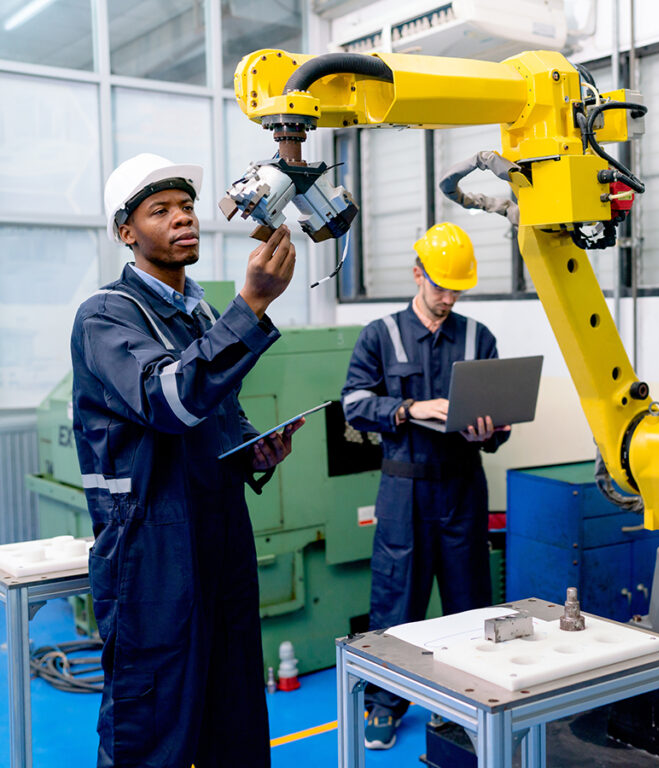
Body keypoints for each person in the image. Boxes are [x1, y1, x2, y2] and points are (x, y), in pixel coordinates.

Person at [72, 153, 301, 767]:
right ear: (127, 232)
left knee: (234, 713)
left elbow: (215, 416)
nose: (183, 220)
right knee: (154, 725)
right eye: (161, 211)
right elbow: (167, 400)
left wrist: (255, 447)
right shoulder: (106, 315)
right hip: (151, 548)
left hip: (220, 531)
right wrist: (250, 307)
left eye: (187, 207)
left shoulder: (198, 312)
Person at [342, 221, 511, 750]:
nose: (448, 297)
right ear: (417, 274)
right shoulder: (380, 335)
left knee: (471, 604)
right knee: (397, 601)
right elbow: (352, 406)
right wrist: (410, 408)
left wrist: (492, 429)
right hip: (403, 491)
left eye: (456, 289)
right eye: (440, 286)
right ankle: (383, 705)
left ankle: (468, 708)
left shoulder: (478, 336)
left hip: (463, 487)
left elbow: (498, 417)